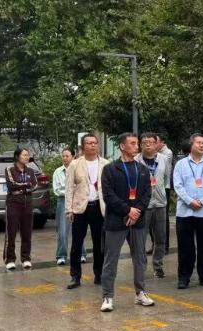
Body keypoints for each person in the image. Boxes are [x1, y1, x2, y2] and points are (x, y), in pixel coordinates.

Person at [98, 133, 155, 312]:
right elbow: (108, 195)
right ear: (122, 146)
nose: (136, 146)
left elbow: (147, 193)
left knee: (140, 258)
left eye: (137, 143)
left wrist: (137, 211)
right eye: (132, 143)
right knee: (111, 259)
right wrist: (127, 210)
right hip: (116, 220)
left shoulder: (142, 169)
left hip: (138, 221)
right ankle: (107, 296)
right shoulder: (110, 169)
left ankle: (140, 292)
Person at [173, 133, 203, 289]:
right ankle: (184, 278)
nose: (202, 145)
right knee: (185, 247)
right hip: (185, 212)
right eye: (198, 142)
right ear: (191, 145)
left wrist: (202, 201)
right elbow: (178, 185)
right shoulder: (181, 164)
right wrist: (190, 201)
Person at [65, 133, 108, 289]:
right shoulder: (75, 164)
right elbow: (69, 188)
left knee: (100, 244)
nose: (92, 145)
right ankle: (75, 276)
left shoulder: (106, 164)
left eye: (95, 142)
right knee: (77, 244)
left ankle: (99, 274)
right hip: (80, 209)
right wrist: (69, 209)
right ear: (83, 147)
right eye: (89, 143)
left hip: (99, 207)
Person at [139, 133, 172, 278]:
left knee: (160, 238)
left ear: (156, 144)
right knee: (140, 238)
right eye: (145, 142)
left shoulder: (163, 159)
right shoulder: (136, 160)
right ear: (141, 145)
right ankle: (141, 266)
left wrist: (162, 194)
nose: (148, 144)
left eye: (151, 142)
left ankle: (158, 266)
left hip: (160, 204)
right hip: (143, 205)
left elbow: (166, 178)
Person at [4, 148, 38, 270]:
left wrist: (23, 189)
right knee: (11, 232)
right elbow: (11, 185)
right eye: (24, 155)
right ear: (17, 156)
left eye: (28, 155)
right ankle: (10, 259)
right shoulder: (10, 169)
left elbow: (34, 185)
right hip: (13, 204)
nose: (26, 157)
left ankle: (26, 258)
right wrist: (26, 186)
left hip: (27, 204)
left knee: (27, 232)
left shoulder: (31, 170)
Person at [52, 148, 73, 265]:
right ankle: (61, 255)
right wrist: (70, 191)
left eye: (67, 156)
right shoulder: (58, 172)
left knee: (78, 230)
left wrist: (67, 189)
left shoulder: (77, 170)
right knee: (62, 231)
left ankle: (81, 254)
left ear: (73, 157)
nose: (65, 158)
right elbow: (57, 190)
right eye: (63, 156)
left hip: (77, 201)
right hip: (63, 201)